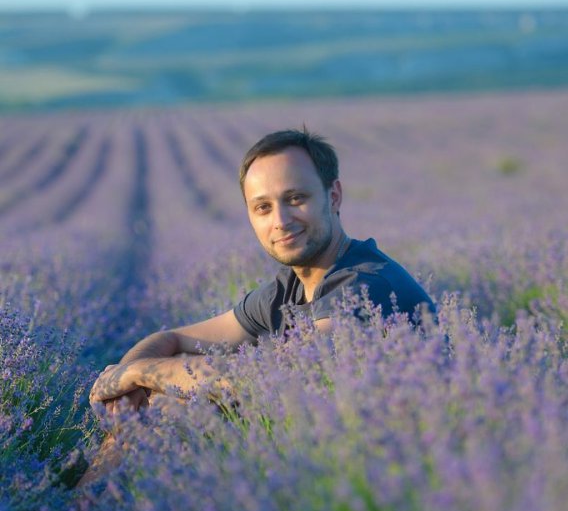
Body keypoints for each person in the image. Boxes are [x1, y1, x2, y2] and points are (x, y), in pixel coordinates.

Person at [84, 129, 434, 480]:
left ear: (334, 196)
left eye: (296, 198)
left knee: (175, 407)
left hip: (388, 475)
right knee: (160, 401)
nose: (280, 221)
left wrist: (138, 373)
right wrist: (125, 394)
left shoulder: (365, 286)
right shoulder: (291, 287)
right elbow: (172, 339)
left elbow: (269, 378)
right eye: (263, 207)